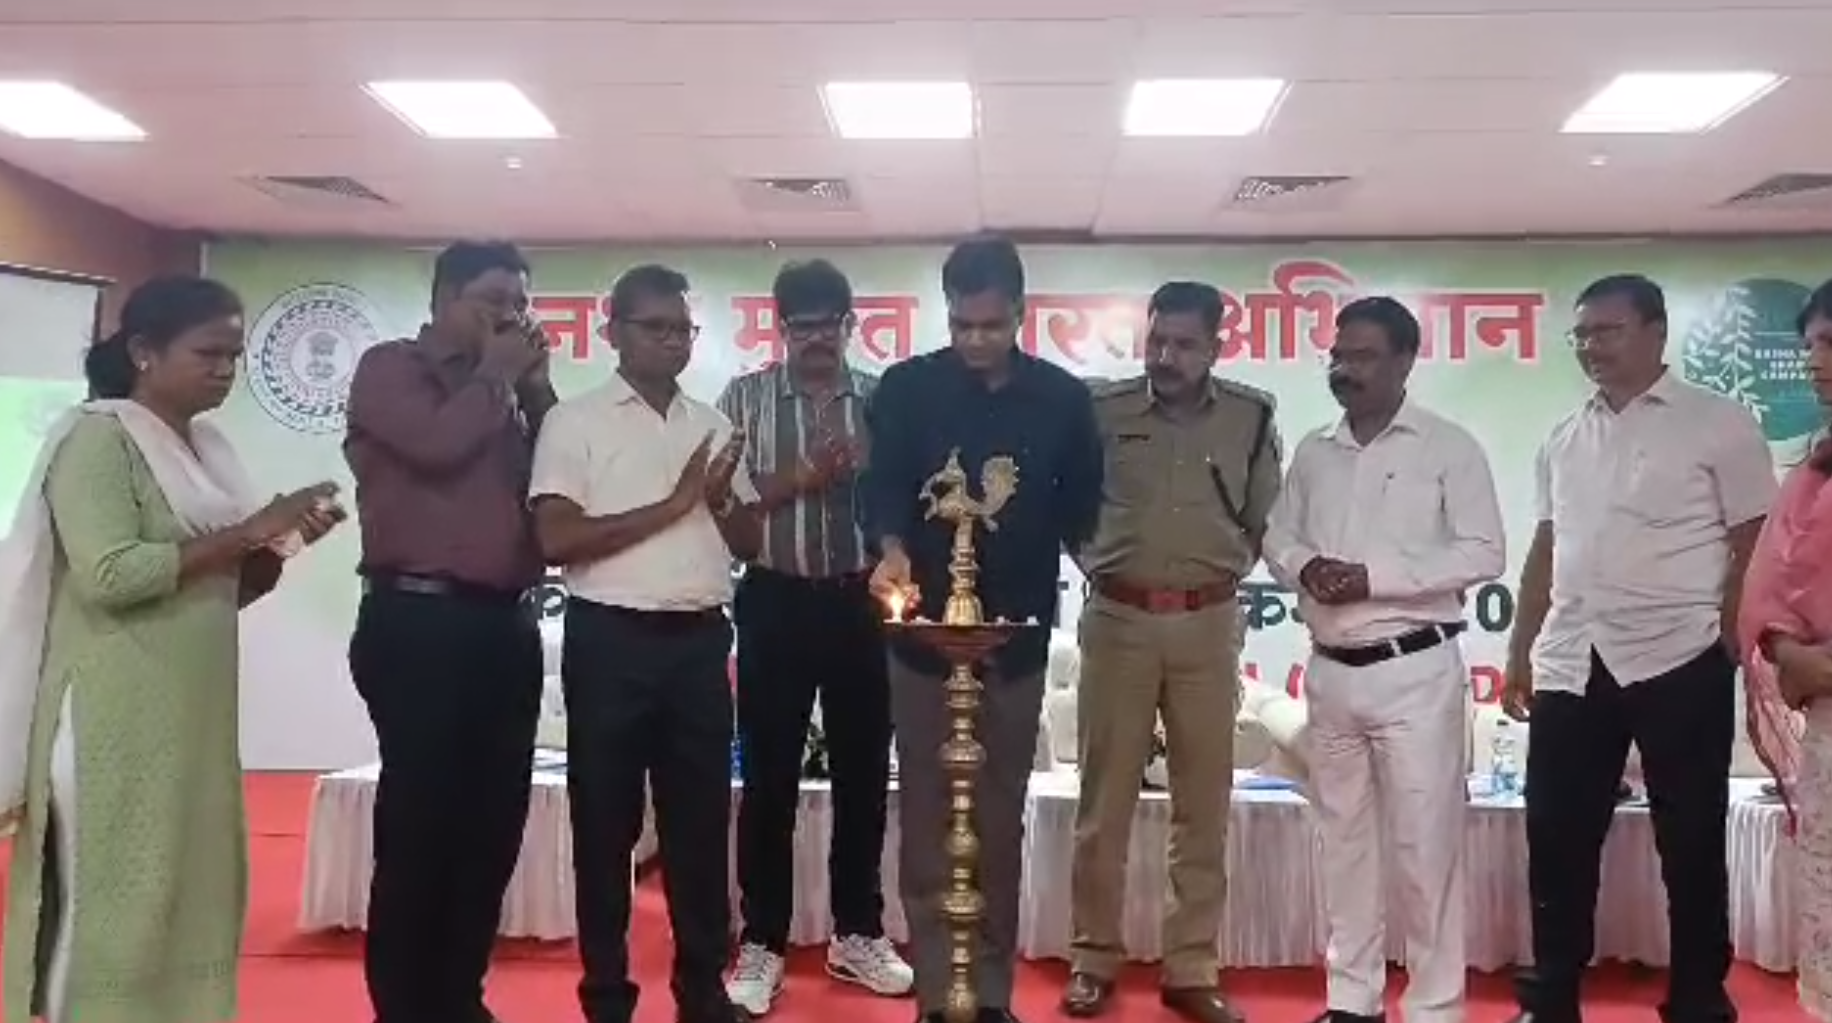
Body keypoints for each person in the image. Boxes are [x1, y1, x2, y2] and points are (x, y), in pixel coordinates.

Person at [0, 275, 343, 1023]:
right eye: (208, 353)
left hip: (188, 714)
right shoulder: (96, 439)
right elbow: (110, 575)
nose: (225, 370)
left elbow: (223, 592)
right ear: (143, 352)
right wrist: (250, 530)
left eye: (235, 356)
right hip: (107, 713)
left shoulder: (208, 450)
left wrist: (282, 543)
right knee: (107, 901)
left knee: (182, 894)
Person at [1502, 274, 1773, 1023]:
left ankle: (1697, 994)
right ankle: (1553, 994)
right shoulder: (1564, 435)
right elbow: (1547, 545)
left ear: (1656, 332)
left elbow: (1754, 534)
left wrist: (1730, 630)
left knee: (1689, 837)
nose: (1591, 346)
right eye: (1582, 334)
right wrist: (1521, 647)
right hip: (1573, 657)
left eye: (1607, 330)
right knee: (1556, 834)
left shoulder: (1718, 423)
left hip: (1681, 654)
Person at [864, 235, 1103, 1023]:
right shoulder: (906, 389)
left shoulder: (1062, 400)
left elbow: (1082, 513)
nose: (975, 340)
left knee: (996, 820)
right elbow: (884, 493)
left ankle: (989, 995)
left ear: (1021, 313)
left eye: (991, 325)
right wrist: (892, 551)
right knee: (929, 818)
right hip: (923, 639)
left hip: (1015, 639)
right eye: (962, 324)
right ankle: (940, 995)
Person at [531, 263, 762, 1023]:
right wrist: (674, 503)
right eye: (654, 327)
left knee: (700, 827)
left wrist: (719, 501)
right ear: (614, 333)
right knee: (606, 827)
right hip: (611, 641)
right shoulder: (575, 422)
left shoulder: (713, 424)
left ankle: (703, 991)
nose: (672, 341)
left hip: (698, 643)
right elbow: (556, 537)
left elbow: (751, 541)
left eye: (682, 329)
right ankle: (607, 997)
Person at [1263, 296, 1505, 1023]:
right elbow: (1277, 536)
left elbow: (1484, 551)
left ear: (1405, 360)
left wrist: (1376, 578)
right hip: (1331, 670)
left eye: (1364, 356)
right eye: (1339, 356)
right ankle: (1352, 1000)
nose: (1346, 369)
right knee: (1343, 845)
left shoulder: (1448, 446)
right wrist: (1305, 566)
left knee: (1425, 850)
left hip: (1415, 671)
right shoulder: (1315, 450)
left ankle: (1435, 1007)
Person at [343, 240, 557, 1023]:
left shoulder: (514, 392)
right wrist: (495, 374)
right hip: (419, 621)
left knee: (491, 828)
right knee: (421, 827)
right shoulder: (390, 368)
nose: (510, 316)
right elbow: (435, 447)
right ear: (442, 298)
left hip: (506, 626)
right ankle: (405, 1008)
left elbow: (567, 479)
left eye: (520, 303)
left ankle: (460, 997)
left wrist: (537, 391)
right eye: (493, 299)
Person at [1061, 281, 1281, 1023]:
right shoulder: (1103, 410)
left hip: (1208, 623)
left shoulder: (1251, 416)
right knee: (1103, 804)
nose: (1166, 356)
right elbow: (1070, 510)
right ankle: (1093, 958)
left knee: (1203, 804)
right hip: (1118, 617)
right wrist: (1105, 566)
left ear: (1217, 347)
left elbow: (1263, 520)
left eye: (1185, 344)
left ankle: (1192, 966)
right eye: (1157, 340)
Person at [720, 259, 912, 1015]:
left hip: (862, 603)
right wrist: (800, 476)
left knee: (864, 775)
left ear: (849, 326)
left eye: (828, 325)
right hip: (774, 598)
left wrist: (866, 482)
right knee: (768, 779)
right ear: (780, 329)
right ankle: (763, 940)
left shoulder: (881, 400)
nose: (815, 340)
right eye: (801, 327)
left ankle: (856, 931)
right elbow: (724, 503)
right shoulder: (745, 398)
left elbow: (903, 497)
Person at [1739, 279, 1832, 1020]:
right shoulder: (1814, 472)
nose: (1814, 360)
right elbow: (1769, 588)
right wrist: (1782, 647)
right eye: (1810, 344)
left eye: (1831, 343)